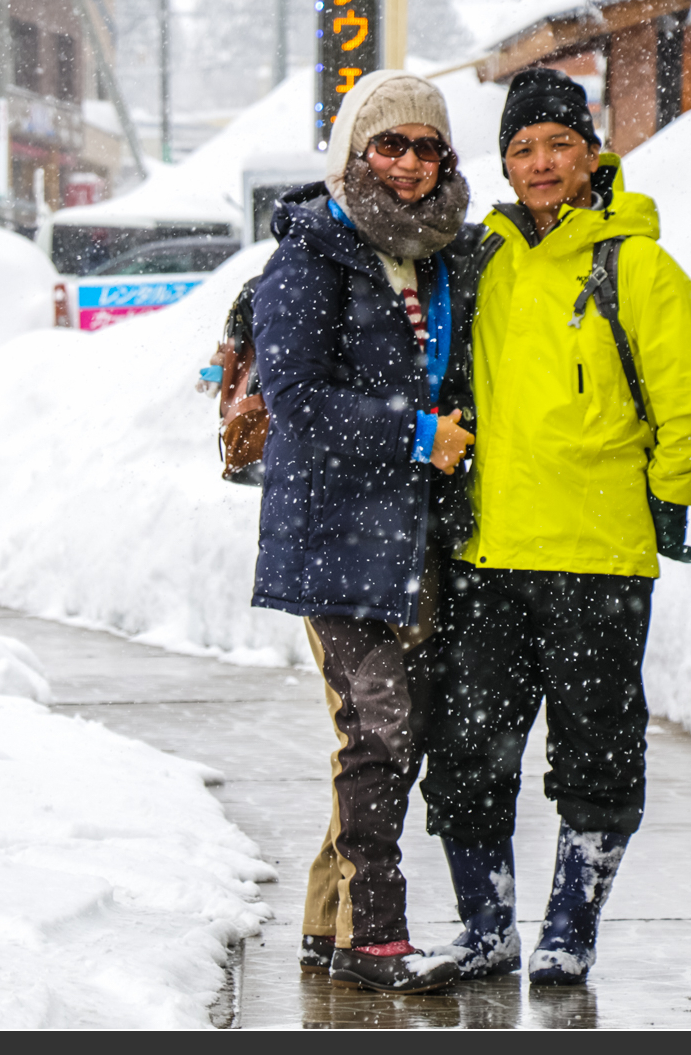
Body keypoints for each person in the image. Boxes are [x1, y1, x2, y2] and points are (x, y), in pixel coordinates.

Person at [421, 68, 691, 985]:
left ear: (592, 153)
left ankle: (569, 927)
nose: (541, 163)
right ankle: (486, 926)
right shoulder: (483, 259)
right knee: (468, 751)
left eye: (558, 144)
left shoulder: (637, 265)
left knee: (595, 754)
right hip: (493, 555)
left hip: (599, 561)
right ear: (505, 164)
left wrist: (653, 497)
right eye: (522, 149)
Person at [250, 69, 480, 994]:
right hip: (334, 536)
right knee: (379, 730)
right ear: (354, 153)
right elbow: (298, 401)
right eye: (391, 145)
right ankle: (373, 939)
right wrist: (419, 434)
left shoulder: (441, 251)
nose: (411, 163)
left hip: (411, 537)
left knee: (381, 738)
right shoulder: (309, 257)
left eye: (428, 146)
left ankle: (326, 923)